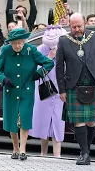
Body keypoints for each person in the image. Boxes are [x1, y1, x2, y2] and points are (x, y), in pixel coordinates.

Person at [56, 13, 95, 165]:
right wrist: (62, 90)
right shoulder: (63, 41)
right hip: (74, 86)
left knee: (92, 122)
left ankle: (86, 151)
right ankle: (84, 153)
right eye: (73, 27)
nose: (77, 29)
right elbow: (59, 68)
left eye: (79, 26)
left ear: (85, 24)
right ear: (70, 26)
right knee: (79, 121)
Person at [0, 28, 54, 161]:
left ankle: (23, 150)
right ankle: (15, 148)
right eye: (15, 43)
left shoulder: (31, 50)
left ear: (24, 41)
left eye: (20, 43)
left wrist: (40, 73)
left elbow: (48, 63)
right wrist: (4, 79)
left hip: (26, 91)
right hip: (10, 91)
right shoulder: (5, 51)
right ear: (10, 43)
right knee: (12, 120)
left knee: (24, 119)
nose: (18, 46)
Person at [28, 25, 67, 157]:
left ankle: (57, 155)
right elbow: (36, 71)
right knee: (44, 121)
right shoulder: (41, 50)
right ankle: (42, 153)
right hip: (44, 90)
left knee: (57, 123)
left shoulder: (66, 49)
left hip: (60, 91)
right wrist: (49, 57)